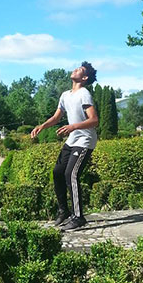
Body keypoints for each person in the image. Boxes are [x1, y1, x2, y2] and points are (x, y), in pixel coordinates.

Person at [31, 62, 98, 231]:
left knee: (71, 174)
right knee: (57, 172)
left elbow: (94, 120)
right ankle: (64, 210)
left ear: (84, 78)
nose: (74, 70)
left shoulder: (84, 93)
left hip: (84, 140)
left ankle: (78, 217)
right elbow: (56, 117)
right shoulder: (65, 95)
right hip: (72, 141)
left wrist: (73, 127)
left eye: (79, 70)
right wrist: (42, 126)